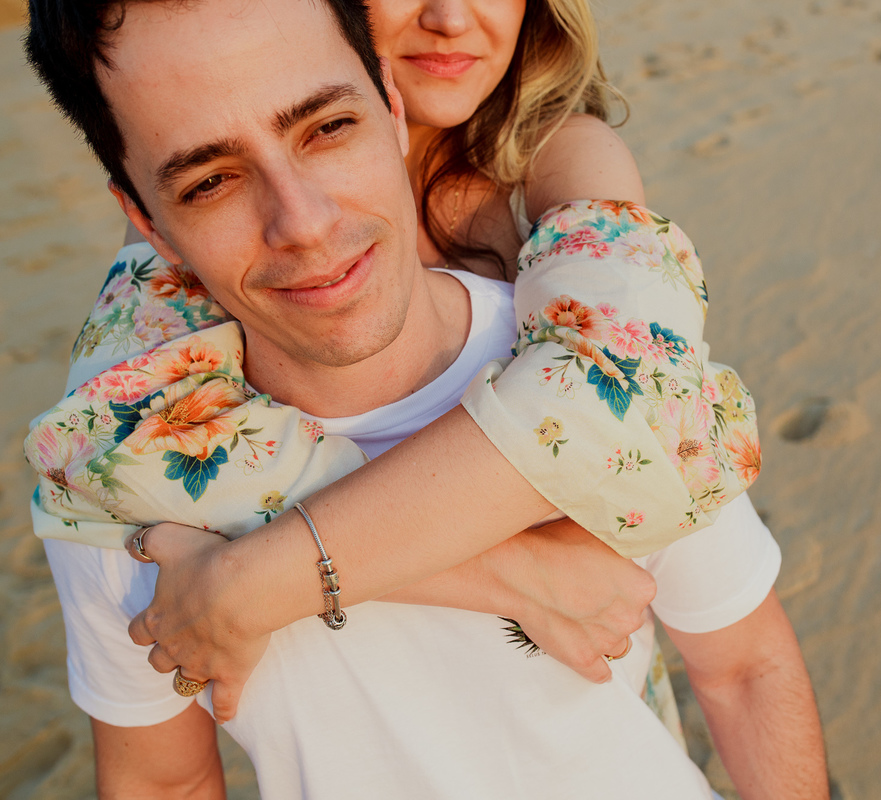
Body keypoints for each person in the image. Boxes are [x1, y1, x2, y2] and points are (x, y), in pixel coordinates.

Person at [24, 0, 829, 797]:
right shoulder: (131, 437)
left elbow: (618, 406)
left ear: (386, 102)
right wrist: (508, 572)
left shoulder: (570, 282)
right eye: (209, 182)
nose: (302, 224)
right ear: (148, 222)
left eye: (327, 128)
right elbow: (160, 774)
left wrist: (251, 580)